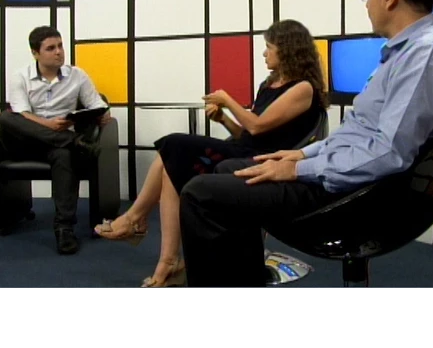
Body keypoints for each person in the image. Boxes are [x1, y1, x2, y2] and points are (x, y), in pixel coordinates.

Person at [178, 0, 433, 287]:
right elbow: (358, 134)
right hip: (352, 176)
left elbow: (389, 152)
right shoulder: (404, 53)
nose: (367, 3)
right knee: (229, 169)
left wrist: (299, 169)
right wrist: (302, 154)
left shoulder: (424, 54)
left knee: (200, 194)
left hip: (361, 195)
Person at [93, 19, 329, 287]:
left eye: (269, 47)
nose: (264, 53)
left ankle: (136, 221)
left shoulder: (303, 88)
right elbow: (247, 133)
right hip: (245, 149)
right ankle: (166, 260)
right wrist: (223, 119)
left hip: (267, 161)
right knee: (172, 161)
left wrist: (227, 100)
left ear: (287, 49)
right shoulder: (268, 84)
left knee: (173, 146)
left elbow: (257, 125)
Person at [0, 26, 110, 255]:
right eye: (51, 48)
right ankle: (72, 141)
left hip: (54, 147)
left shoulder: (77, 75)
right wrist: (49, 126)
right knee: (6, 118)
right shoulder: (20, 76)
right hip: (24, 143)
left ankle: (64, 228)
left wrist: (103, 113)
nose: (59, 52)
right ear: (35, 53)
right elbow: (21, 114)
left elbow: (97, 104)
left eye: (60, 46)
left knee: (63, 155)